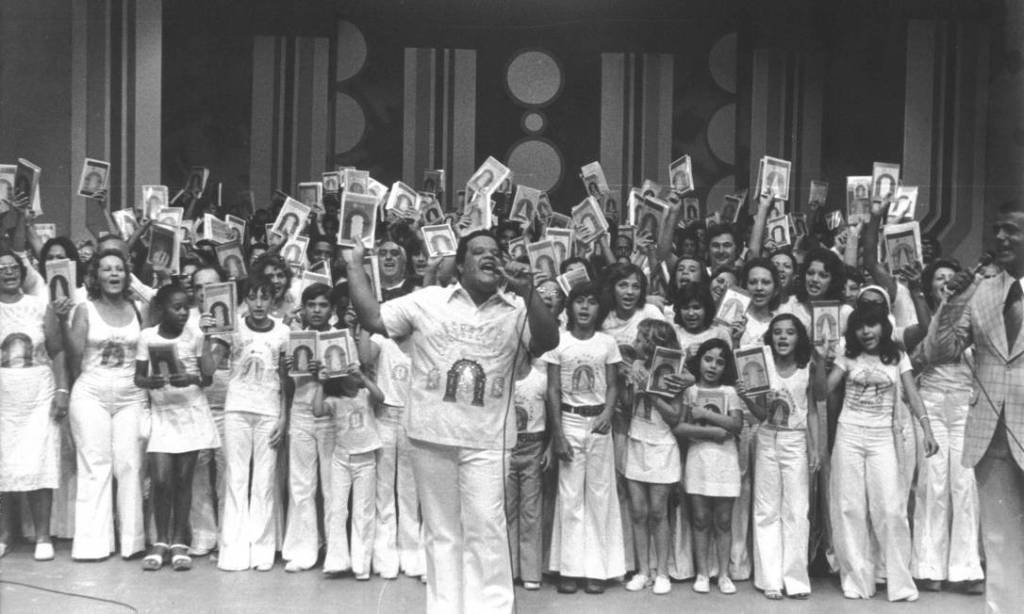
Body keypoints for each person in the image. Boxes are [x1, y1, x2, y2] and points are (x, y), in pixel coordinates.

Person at [345, 230, 559, 613]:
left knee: (487, 532)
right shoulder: (427, 301)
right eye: (479, 251)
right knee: (442, 533)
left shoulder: (515, 308)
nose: (490, 257)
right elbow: (374, 317)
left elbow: (548, 340)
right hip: (431, 436)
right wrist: (353, 264)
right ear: (460, 265)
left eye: (496, 252)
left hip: (489, 441)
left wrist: (528, 291)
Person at [922, 200, 1024, 613]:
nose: (1000, 237)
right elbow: (937, 351)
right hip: (991, 434)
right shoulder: (980, 290)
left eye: (1011, 230)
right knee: (1000, 540)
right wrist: (952, 301)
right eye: (997, 229)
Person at [816, 305, 938, 601]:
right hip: (849, 436)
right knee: (849, 508)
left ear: (883, 327)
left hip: (883, 437)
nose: (866, 332)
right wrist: (820, 359)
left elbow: (912, 395)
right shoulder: (848, 357)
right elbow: (821, 392)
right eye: (860, 327)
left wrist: (927, 430)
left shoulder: (898, 357)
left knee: (891, 510)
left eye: (872, 325)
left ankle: (900, 583)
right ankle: (857, 581)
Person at [66, 250, 147, 561]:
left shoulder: (138, 308)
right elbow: (74, 356)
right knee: (94, 467)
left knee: (130, 465)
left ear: (127, 276)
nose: (113, 274)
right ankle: (91, 545)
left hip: (131, 394)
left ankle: (132, 542)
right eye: (106, 269)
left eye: (119, 269)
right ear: (95, 276)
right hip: (91, 393)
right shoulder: (84, 309)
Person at [909, 260, 984, 594]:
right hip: (933, 405)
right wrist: (945, 306)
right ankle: (928, 566)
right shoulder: (928, 322)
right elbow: (930, 350)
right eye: (939, 279)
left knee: (964, 484)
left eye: (953, 279)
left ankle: (967, 569)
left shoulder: (977, 317)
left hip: (966, 405)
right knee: (932, 483)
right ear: (931, 286)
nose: (946, 282)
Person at [134, 284, 220, 570]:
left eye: (186, 307)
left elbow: (207, 379)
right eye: (176, 307)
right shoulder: (147, 336)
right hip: (162, 413)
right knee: (160, 480)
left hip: (190, 411)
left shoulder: (195, 335)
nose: (183, 312)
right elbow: (138, 378)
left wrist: (191, 379)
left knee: (184, 480)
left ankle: (180, 541)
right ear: (162, 308)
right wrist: (151, 382)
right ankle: (160, 541)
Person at [546, 282, 624, 595]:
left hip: (599, 425)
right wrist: (558, 434)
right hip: (569, 421)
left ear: (599, 309)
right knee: (570, 498)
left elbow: (613, 385)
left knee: (600, 496)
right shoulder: (559, 342)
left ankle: (597, 570)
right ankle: (570, 569)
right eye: (579, 301)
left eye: (592, 302)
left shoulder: (607, 342)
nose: (585, 308)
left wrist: (607, 413)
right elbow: (552, 390)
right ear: (570, 306)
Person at [213, 282, 290, 572]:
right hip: (236, 409)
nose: (259, 303)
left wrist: (284, 417)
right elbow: (209, 369)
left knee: (264, 481)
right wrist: (212, 336)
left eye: (265, 296)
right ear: (245, 299)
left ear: (273, 300)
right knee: (236, 478)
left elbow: (285, 379)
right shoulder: (232, 329)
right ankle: (233, 550)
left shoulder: (283, 332)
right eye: (253, 296)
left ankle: (261, 549)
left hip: (269, 411)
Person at [0, 249, 67, 561]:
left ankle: (42, 535)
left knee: (40, 462)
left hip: (39, 393)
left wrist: (62, 390)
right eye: (2, 268)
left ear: (23, 271)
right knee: (3, 465)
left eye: (14, 267)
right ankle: (4, 534)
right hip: (3, 396)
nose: (9, 273)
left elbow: (58, 352)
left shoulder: (41, 306)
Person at [750, 314, 818, 599]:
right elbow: (758, 413)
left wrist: (815, 447)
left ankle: (796, 579)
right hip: (766, 438)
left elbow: (813, 409)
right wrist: (746, 397)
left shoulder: (807, 368)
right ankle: (770, 579)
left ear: (799, 337)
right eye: (777, 332)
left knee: (796, 510)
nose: (782, 337)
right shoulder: (762, 366)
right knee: (766, 510)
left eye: (789, 332)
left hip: (795, 441)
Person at [621, 319, 690, 595]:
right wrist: (629, 384)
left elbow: (675, 416)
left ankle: (662, 572)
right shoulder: (636, 367)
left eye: (640, 339)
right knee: (638, 512)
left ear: (653, 344)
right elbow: (627, 408)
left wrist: (649, 389)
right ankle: (642, 571)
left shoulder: (674, 372)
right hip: (636, 441)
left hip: (662, 445)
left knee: (659, 512)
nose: (635, 343)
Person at [673, 338, 745, 595]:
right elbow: (679, 427)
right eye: (708, 359)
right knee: (701, 519)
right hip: (698, 459)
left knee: (723, 521)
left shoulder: (731, 392)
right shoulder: (690, 392)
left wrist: (705, 415)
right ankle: (702, 572)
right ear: (699, 361)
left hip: (725, 462)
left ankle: (724, 573)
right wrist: (715, 431)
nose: (713, 366)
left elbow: (736, 426)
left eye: (720, 361)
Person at [280, 283, 338, 572]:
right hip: (301, 412)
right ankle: (304, 549)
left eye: (323, 305)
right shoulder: (293, 337)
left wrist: (327, 373)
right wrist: (287, 367)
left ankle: (335, 550)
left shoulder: (340, 338)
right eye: (311, 305)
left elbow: (348, 384)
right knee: (301, 484)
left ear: (332, 309)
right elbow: (286, 386)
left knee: (331, 486)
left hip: (330, 414)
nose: (316, 310)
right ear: (303, 308)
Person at [317, 361, 384, 579]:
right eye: (347, 377)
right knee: (337, 510)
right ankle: (336, 561)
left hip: (366, 460)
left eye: (353, 376)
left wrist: (363, 377)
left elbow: (381, 397)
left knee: (363, 512)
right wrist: (321, 383)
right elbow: (317, 410)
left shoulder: (365, 395)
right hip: (341, 460)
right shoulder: (334, 400)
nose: (352, 380)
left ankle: (361, 564)